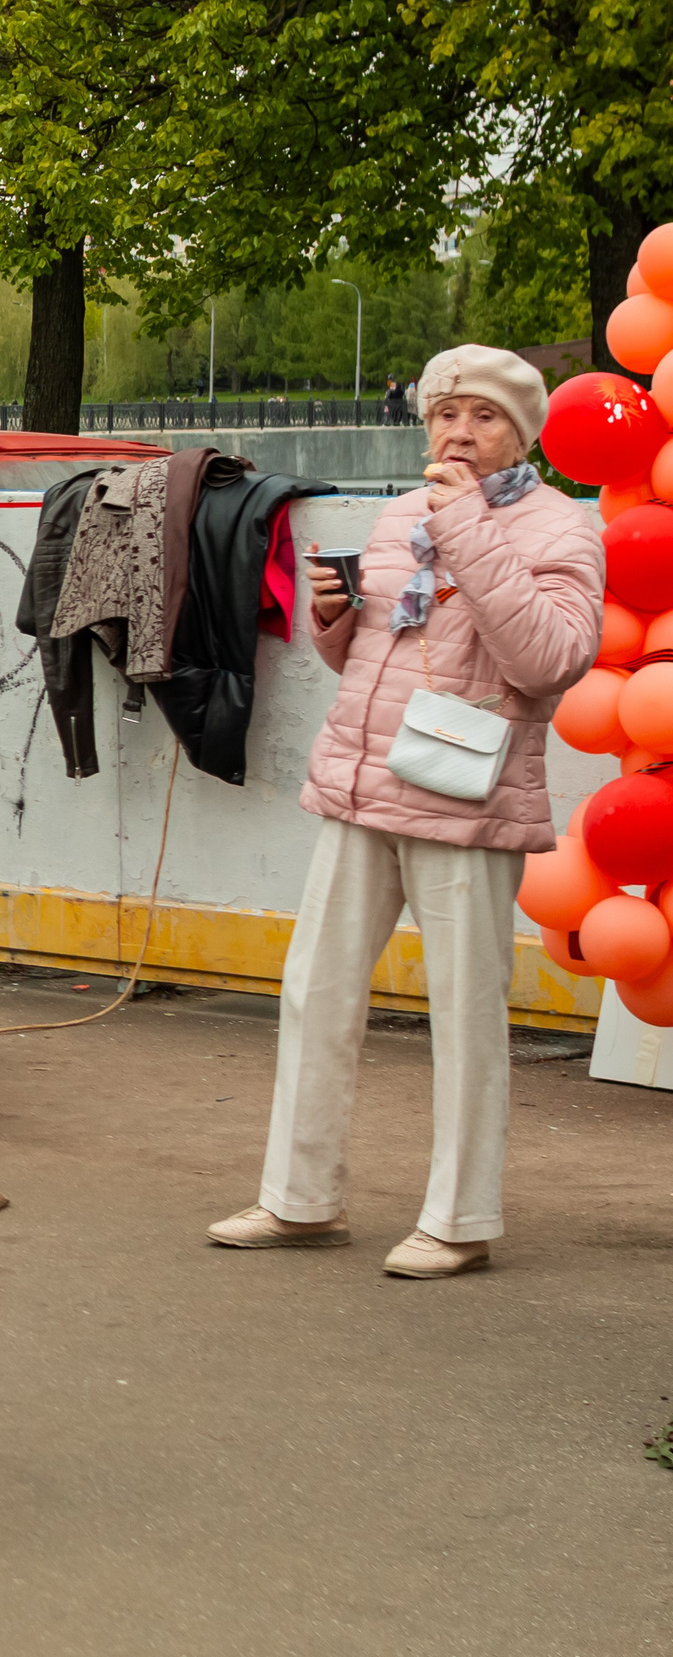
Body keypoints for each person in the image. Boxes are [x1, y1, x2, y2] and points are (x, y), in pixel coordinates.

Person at [209, 346, 603, 1279]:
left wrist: (466, 525)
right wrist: (335, 618)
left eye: (484, 417)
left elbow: (549, 660)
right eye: (445, 415)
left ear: (524, 433)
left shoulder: (558, 525)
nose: (458, 434)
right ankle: (300, 1201)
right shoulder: (398, 516)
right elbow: (372, 659)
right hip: (363, 780)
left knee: (465, 1014)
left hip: (466, 796)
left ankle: (461, 1220)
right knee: (314, 993)